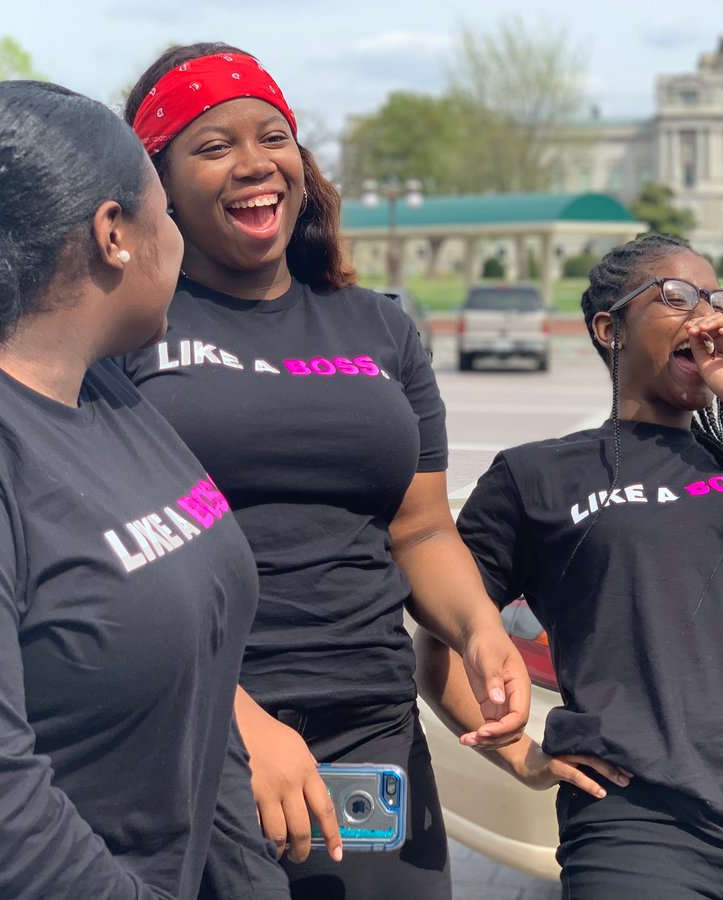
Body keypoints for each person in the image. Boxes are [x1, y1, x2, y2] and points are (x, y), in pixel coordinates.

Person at [121, 43, 530, 899]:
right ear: (155, 182)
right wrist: (240, 721)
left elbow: (419, 528)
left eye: (272, 136)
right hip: (193, 727)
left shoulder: (378, 327)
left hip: (373, 731)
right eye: (212, 146)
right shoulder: (126, 329)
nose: (253, 164)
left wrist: (480, 632)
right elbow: (107, 559)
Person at [0, 81, 261, 899]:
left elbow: (203, 690)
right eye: (165, 213)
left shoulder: (106, 392)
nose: (181, 244)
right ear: (113, 233)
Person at [416, 232, 723, 899]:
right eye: (676, 296)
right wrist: (524, 758)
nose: (706, 315)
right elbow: (436, 645)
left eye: (717, 299)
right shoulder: (538, 475)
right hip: (639, 827)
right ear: (609, 327)